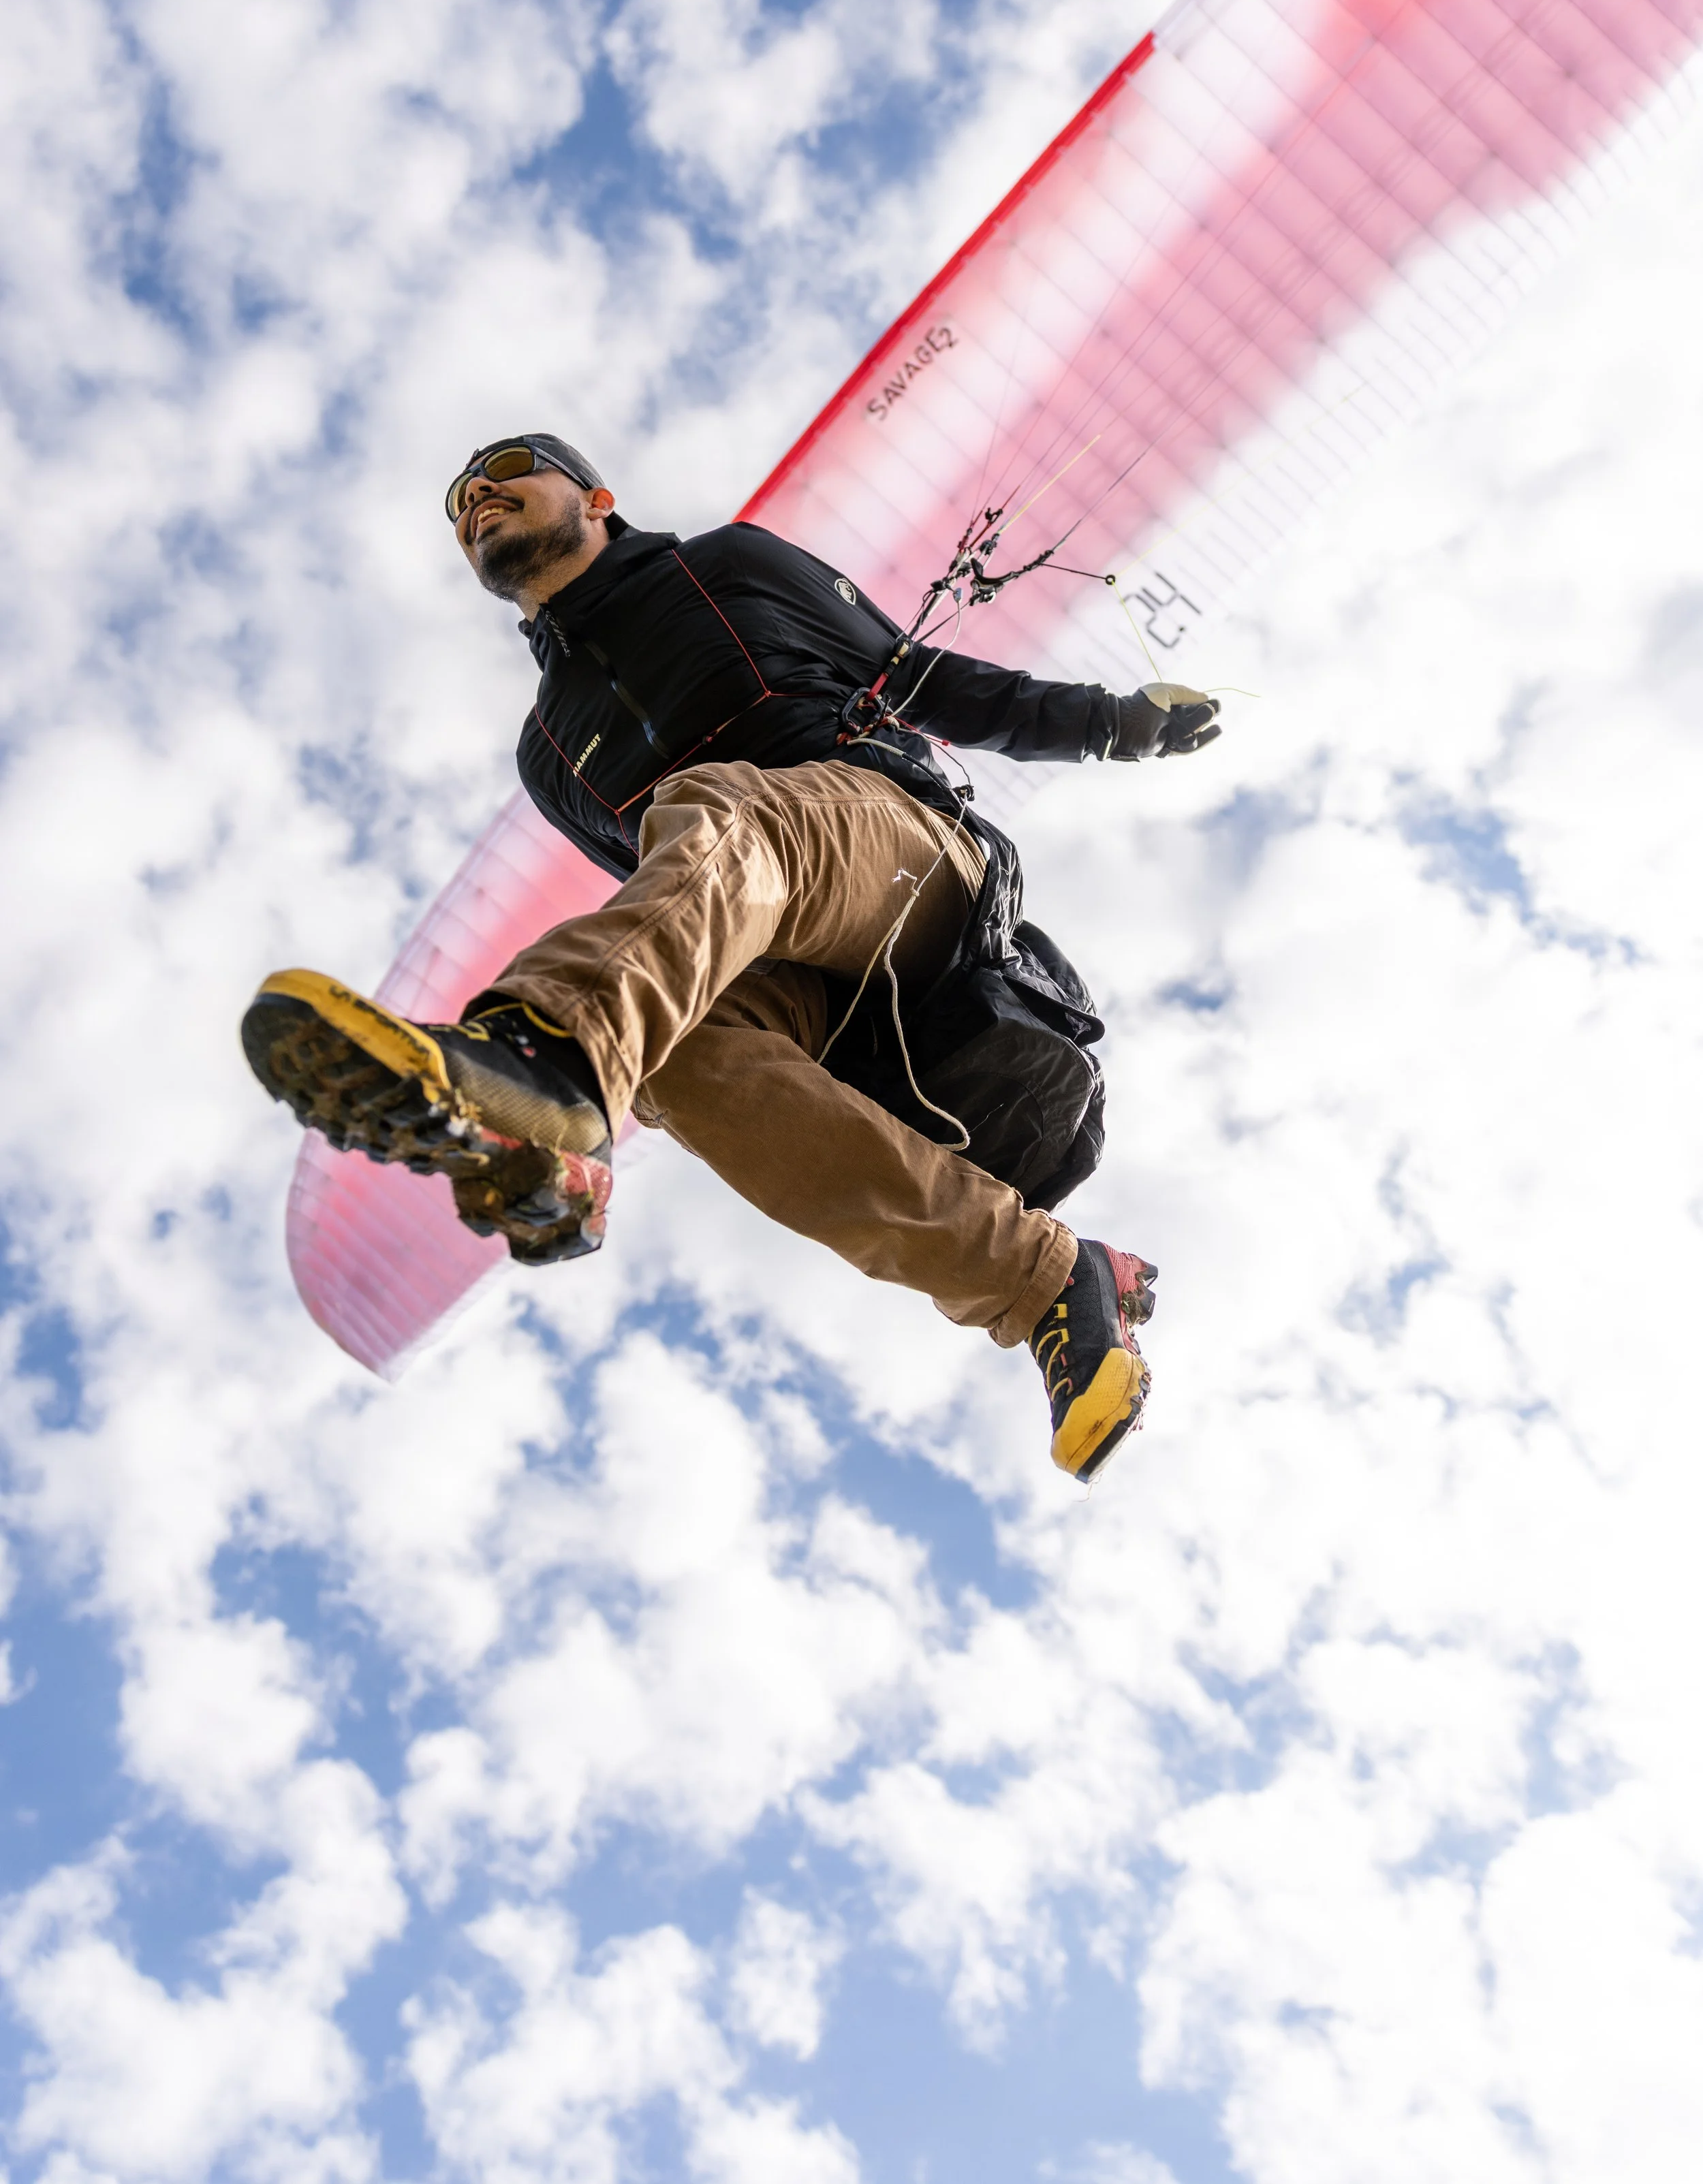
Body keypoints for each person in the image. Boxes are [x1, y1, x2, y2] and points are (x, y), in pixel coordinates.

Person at [243, 434, 1221, 1479]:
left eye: (509, 469)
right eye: (459, 499)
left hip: (912, 868)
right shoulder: (549, 752)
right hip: (803, 964)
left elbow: (924, 679)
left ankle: (555, 1064)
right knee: (672, 1052)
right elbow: (672, 906)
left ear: (598, 496)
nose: (479, 495)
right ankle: (1047, 1285)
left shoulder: (731, 566)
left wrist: (1116, 726)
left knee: (714, 808)